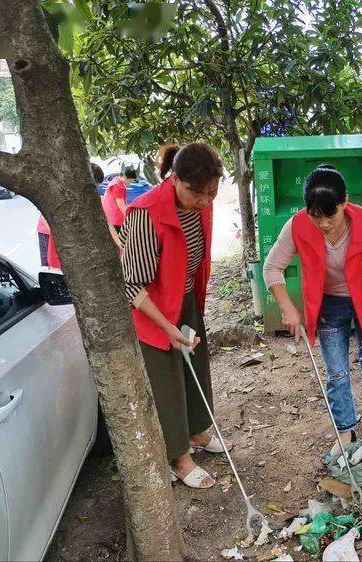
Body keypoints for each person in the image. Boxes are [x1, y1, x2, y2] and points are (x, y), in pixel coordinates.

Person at [120, 142, 229, 489]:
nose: (205, 202)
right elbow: (131, 285)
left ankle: (197, 431)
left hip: (184, 299)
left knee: (194, 367)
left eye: (211, 193)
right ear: (175, 179)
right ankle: (179, 458)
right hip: (152, 310)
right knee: (166, 381)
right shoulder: (146, 212)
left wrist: (190, 305)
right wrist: (166, 327)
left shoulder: (199, 205)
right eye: (197, 194)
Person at [263, 165, 362, 454]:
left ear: (344, 202)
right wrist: (287, 308)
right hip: (329, 304)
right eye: (315, 215)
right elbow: (272, 268)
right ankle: (345, 431)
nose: (323, 224)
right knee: (336, 373)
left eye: (330, 215)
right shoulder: (297, 226)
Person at [42, 162, 105, 268]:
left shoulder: (88, 199)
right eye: (95, 185)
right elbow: (45, 218)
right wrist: (64, 236)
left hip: (78, 254)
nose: (95, 189)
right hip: (61, 250)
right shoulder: (62, 194)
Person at [102, 166, 137, 247]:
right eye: (131, 179)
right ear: (125, 177)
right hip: (116, 220)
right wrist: (132, 219)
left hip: (110, 216)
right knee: (119, 243)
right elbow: (122, 206)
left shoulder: (114, 181)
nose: (131, 181)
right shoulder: (118, 187)